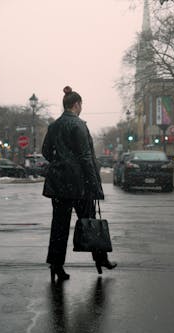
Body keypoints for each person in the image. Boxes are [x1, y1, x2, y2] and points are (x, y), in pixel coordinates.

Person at [42, 86, 117, 282]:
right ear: (77, 104)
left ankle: (56, 265)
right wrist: (95, 184)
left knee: (59, 227)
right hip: (79, 184)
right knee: (90, 221)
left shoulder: (54, 126)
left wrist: (60, 163)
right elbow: (85, 157)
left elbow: (46, 152)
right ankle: (101, 259)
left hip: (58, 184)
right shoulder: (78, 125)